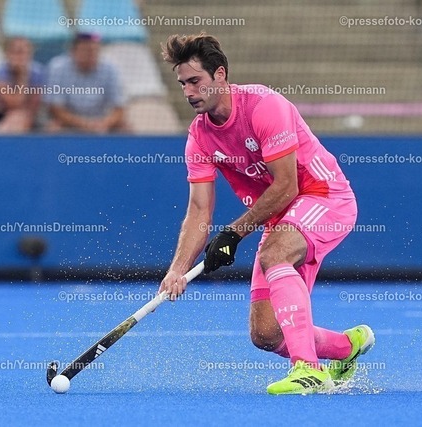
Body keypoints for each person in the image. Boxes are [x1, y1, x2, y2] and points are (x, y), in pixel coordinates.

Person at [158, 33, 375, 395]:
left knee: (275, 253)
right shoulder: (199, 138)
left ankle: (308, 370)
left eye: (195, 81)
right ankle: (347, 347)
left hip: (324, 197)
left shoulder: (263, 106)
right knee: (266, 334)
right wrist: (177, 270)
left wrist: (233, 233)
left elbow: (287, 186)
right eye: (183, 84)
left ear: (220, 74)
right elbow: (198, 209)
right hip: (281, 217)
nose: (188, 92)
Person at [45, 33, 125, 133]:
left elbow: (119, 108)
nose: (91, 55)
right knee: (53, 127)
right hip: (68, 122)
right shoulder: (58, 68)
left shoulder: (110, 69)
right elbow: (56, 109)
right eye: (86, 51)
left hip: (100, 120)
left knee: (125, 127)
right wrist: (84, 124)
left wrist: (105, 123)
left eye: (95, 51)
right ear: (73, 52)